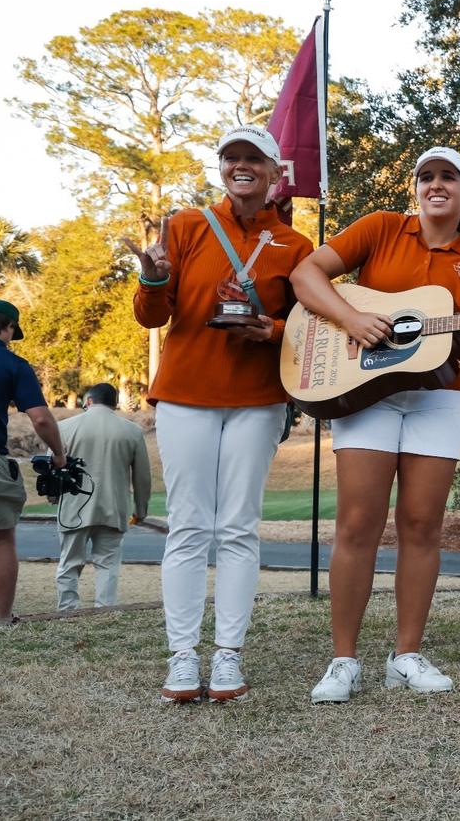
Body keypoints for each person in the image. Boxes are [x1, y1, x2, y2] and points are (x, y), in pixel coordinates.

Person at [295, 146, 460, 705]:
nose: (436, 184)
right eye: (427, 177)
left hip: (438, 398)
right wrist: (351, 317)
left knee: (423, 525)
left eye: (449, 176)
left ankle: (406, 655)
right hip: (365, 392)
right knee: (358, 524)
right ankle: (344, 660)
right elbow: (307, 274)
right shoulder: (378, 229)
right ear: (415, 189)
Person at [129, 125, 314, 703]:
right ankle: (183, 654)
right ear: (220, 168)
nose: (242, 167)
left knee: (237, 526)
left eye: (253, 159)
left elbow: (311, 326)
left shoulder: (295, 245)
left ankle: (229, 654)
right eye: (231, 158)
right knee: (188, 525)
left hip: (258, 399)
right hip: (187, 395)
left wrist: (274, 329)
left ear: (274, 173)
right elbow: (151, 317)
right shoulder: (184, 226)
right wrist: (154, 276)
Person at [0, 299, 65, 625]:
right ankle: (3, 619)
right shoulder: (13, 365)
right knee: (1, 542)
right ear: (7, 327)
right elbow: (40, 419)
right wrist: (59, 454)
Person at [53, 383, 151, 612]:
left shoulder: (64, 428)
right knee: (107, 564)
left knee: (69, 563)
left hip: (74, 509)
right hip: (113, 507)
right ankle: (104, 610)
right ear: (115, 403)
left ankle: (68, 610)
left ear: (88, 401)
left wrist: (54, 497)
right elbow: (142, 477)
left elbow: (52, 469)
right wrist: (141, 509)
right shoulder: (132, 431)